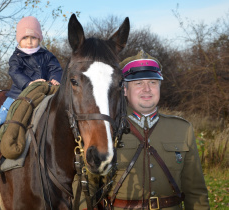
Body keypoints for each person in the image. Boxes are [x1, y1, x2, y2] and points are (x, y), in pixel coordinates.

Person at [73, 50, 209, 210]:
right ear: (124, 89)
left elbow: (195, 192)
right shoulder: (105, 129)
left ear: (159, 87)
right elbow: (85, 187)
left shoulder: (182, 129)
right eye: (138, 83)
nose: (147, 89)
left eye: (153, 82)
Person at [0, 16, 62, 159]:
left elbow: (56, 69)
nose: (29, 41)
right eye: (25, 37)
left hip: (42, 94)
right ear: (19, 39)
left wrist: (55, 79)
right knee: (3, 116)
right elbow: (15, 72)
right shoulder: (17, 57)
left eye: (33, 37)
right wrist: (29, 83)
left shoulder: (47, 55)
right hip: (19, 94)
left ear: (39, 38)